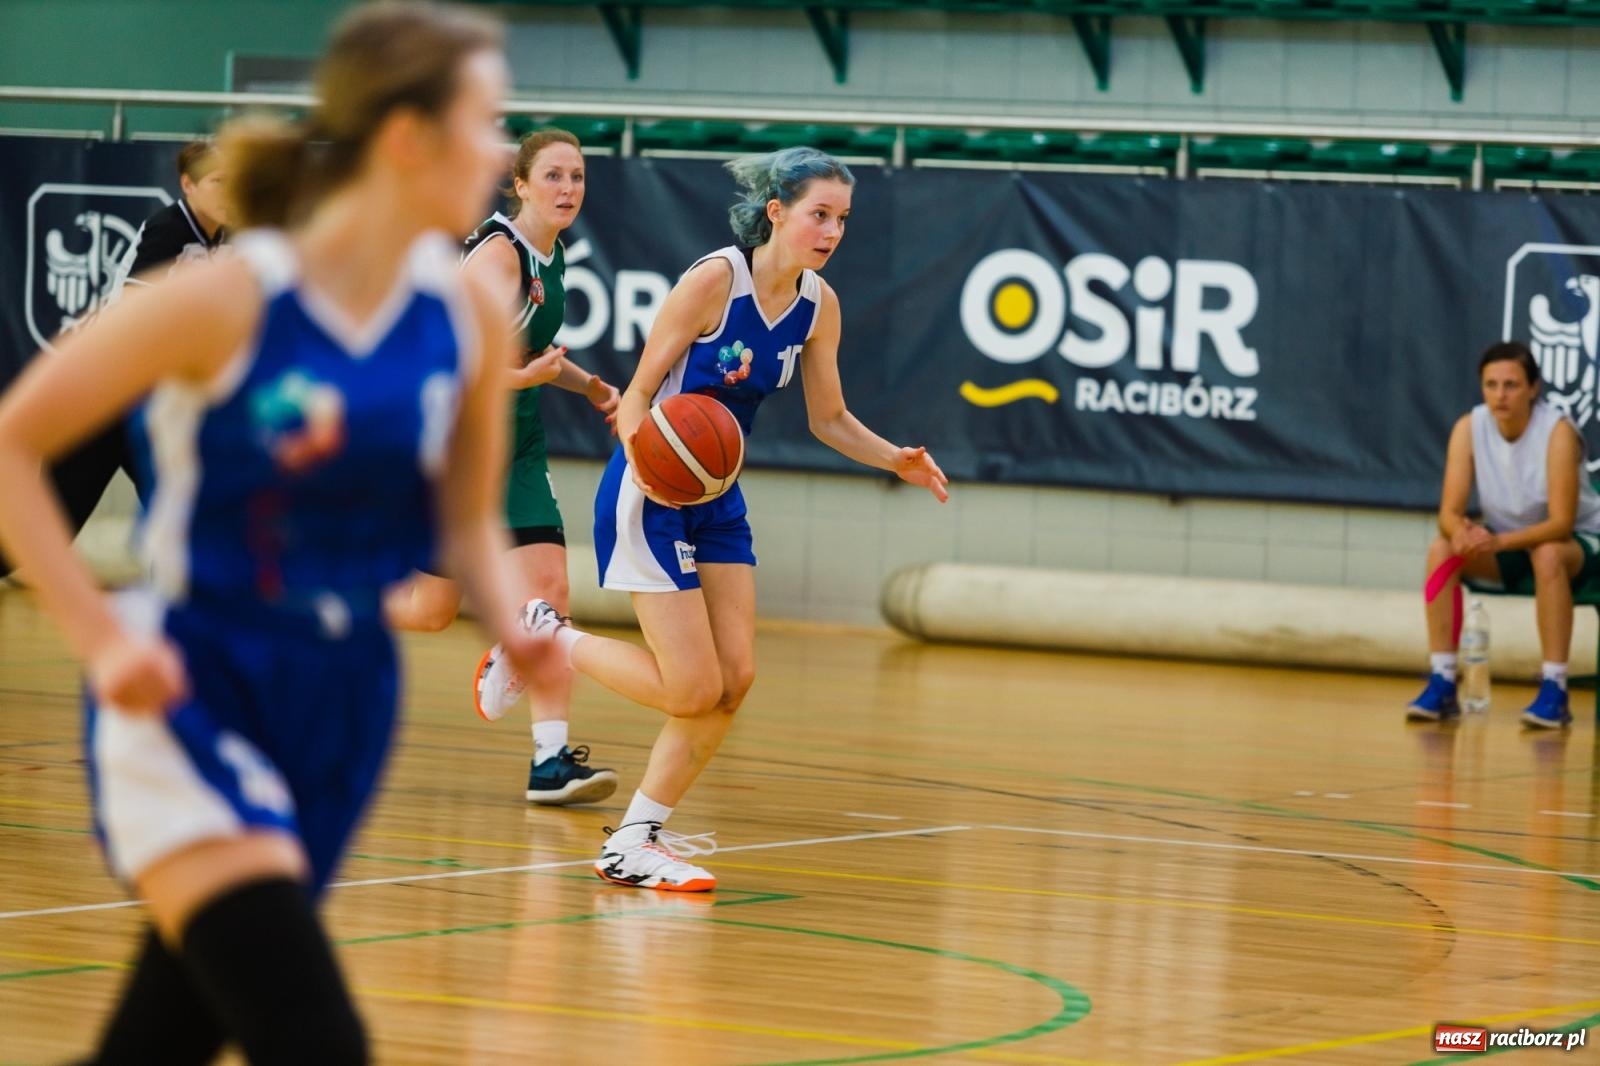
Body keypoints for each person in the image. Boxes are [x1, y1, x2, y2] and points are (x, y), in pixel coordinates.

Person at [0, 4, 540, 1062]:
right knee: (313, 1035)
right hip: (196, 682)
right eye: (487, 120)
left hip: (343, 702)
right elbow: (14, 443)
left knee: (170, 1032)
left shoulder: (467, 313)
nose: (504, 150)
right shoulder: (223, 298)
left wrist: (513, 617)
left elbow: (465, 516)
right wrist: (102, 639)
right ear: (405, 138)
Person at [477, 147, 950, 891]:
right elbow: (634, 400)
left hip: (718, 496)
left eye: (842, 220)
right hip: (651, 489)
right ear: (776, 213)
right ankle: (545, 635)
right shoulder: (713, 280)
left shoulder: (818, 306)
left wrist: (896, 459)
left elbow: (829, 418)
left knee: (735, 680)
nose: (831, 232)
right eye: (818, 215)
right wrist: (652, 461)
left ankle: (634, 840)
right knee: (691, 689)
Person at [383, 127, 621, 806]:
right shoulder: (498, 256)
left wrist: (590, 386)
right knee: (430, 610)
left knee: (551, 591)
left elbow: (533, 357)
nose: (568, 188)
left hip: (516, 440)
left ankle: (550, 763)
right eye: (552, 176)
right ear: (519, 185)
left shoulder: (553, 253)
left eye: (576, 176)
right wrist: (528, 378)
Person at [0, 141, 231, 580]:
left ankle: (190, 623)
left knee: (183, 521)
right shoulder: (168, 232)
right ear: (188, 185)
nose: (228, 192)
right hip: (99, 404)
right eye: (217, 181)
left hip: (142, 407)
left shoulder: (226, 239)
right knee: (48, 527)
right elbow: (132, 319)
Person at [1408, 340, 1596, 729]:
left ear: (1533, 388)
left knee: (1547, 552)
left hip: (1578, 544)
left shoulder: (1557, 432)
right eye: (1491, 385)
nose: (1500, 395)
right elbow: (1449, 512)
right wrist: (1460, 533)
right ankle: (1442, 680)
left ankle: (1555, 690)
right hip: (1509, 543)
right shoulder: (1468, 427)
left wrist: (1496, 542)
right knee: (1441, 549)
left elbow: (1561, 523)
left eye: (1510, 385)